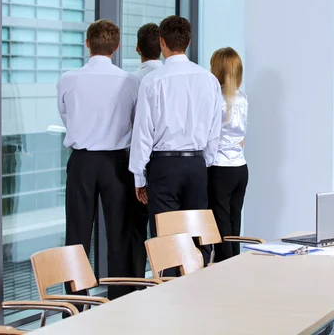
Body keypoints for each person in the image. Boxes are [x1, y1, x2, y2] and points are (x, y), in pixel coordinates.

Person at [129, 15, 223, 266]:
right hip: (196, 165)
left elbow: (142, 133)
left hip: (163, 166)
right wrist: (205, 163)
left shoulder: (152, 80)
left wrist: (139, 176)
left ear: (161, 42)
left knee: (166, 240)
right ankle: (198, 292)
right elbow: (215, 130)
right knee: (197, 236)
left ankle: (169, 296)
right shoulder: (208, 79)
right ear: (189, 41)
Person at [57, 19, 139, 300]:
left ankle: (76, 304)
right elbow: (134, 121)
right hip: (116, 162)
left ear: (87, 43)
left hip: (81, 162)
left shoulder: (68, 78)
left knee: (77, 235)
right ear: (116, 47)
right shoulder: (130, 81)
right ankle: (120, 300)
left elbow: (65, 115)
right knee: (119, 233)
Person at [207, 47, 249, 262]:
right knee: (234, 224)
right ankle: (235, 269)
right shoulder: (242, 98)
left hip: (219, 168)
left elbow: (210, 138)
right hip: (240, 168)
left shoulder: (215, 99)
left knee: (220, 225)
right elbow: (242, 137)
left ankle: (224, 273)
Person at [130, 23, 163, 279]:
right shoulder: (178, 77)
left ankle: (136, 285)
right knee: (166, 233)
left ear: (138, 48)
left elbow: (138, 130)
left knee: (134, 231)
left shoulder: (132, 80)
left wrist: (139, 177)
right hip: (169, 164)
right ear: (161, 46)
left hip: (137, 163)